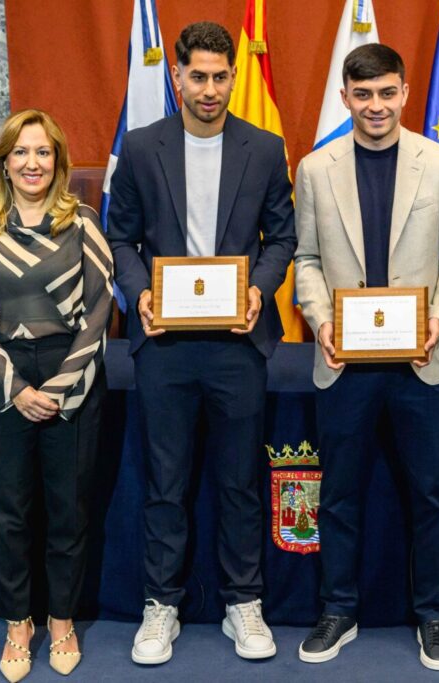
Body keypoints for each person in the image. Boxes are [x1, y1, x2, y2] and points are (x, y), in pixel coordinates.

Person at [106, 21, 296, 664]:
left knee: (241, 480)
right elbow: (120, 240)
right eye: (198, 76)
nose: (210, 89)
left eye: (221, 77)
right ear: (177, 77)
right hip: (163, 343)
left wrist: (258, 291)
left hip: (238, 342)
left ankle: (245, 603)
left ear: (233, 77)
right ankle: (161, 605)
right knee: (166, 480)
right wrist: (142, 296)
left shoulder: (266, 149)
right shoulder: (139, 148)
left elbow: (283, 240)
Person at [292, 43, 439, 671]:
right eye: (362, 94)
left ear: (404, 93)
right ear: (345, 97)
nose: (376, 105)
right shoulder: (315, 169)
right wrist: (320, 323)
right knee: (339, 495)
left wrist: (438, 318)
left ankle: (434, 615)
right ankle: (338, 610)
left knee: (432, 495)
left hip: (422, 361)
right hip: (344, 361)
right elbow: (306, 260)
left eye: (387, 92)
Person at [0, 109, 114, 682]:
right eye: (20, 152)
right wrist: (17, 389)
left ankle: (63, 620)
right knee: (9, 514)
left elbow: (100, 312)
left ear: (58, 161)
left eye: (42, 152)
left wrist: (61, 386)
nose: (31, 163)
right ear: (4, 160)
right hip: (0, 384)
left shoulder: (84, 224)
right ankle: (18, 622)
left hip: (71, 374)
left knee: (69, 512)